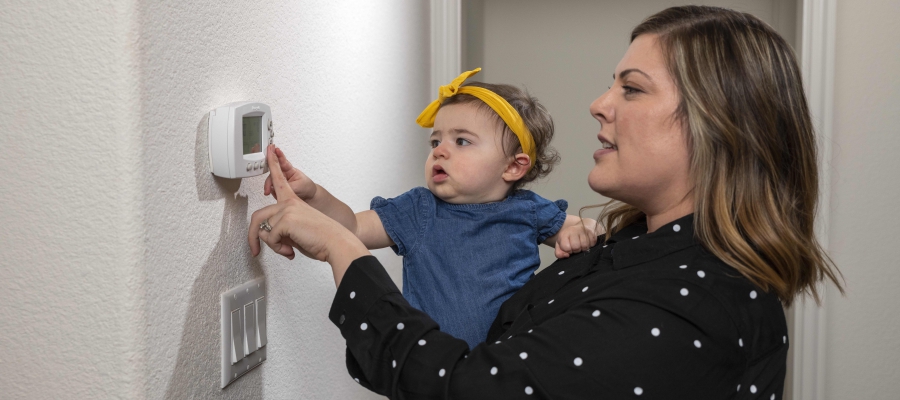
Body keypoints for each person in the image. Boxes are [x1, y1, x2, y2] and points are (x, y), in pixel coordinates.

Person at [249, 5, 844, 399]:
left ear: (720, 125)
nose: (598, 103)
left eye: (631, 88)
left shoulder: (686, 306)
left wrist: (340, 249)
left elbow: (469, 389)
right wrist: (323, 211)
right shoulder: (634, 249)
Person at [261, 68, 598, 348]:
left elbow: (584, 227)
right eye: (436, 141)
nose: (440, 151)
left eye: (461, 141)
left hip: (506, 365)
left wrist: (578, 233)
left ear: (513, 167)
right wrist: (314, 195)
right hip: (432, 367)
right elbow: (349, 229)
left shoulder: (529, 211)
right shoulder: (419, 210)